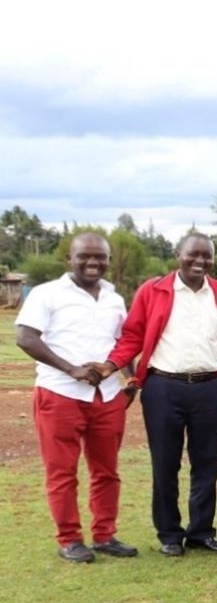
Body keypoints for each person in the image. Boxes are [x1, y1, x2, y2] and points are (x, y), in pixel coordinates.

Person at [98, 233, 217, 557]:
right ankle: (170, 534)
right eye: (193, 255)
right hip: (163, 388)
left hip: (209, 388)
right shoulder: (154, 290)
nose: (200, 261)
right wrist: (113, 366)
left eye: (207, 256)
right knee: (165, 463)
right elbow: (133, 335)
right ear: (179, 254)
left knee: (207, 464)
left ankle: (201, 532)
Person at [15, 233, 137, 563]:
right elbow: (25, 337)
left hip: (107, 395)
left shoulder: (114, 298)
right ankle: (69, 538)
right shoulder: (47, 294)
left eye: (100, 257)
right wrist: (72, 370)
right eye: (85, 256)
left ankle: (105, 534)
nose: (93, 262)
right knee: (62, 472)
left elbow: (123, 343)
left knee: (107, 470)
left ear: (109, 260)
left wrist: (131, 379)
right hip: (60, 393)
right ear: (70, 259)